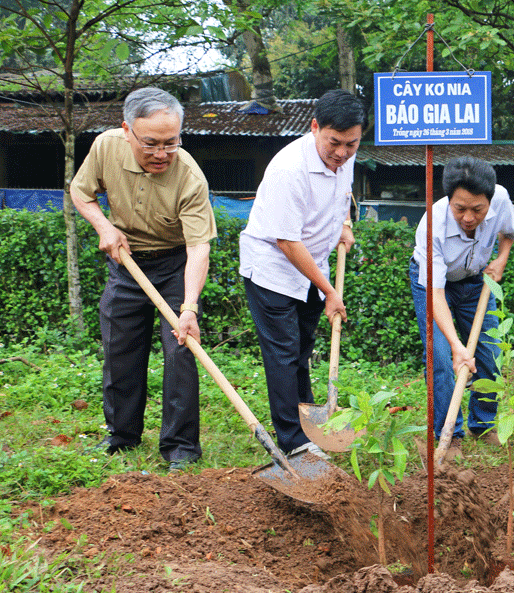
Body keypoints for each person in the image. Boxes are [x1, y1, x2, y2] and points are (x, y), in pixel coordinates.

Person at [71, 87, 217, 472]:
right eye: (150, 143)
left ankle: (181, 447)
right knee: (120, 348)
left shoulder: (189, 177)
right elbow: (80, 192)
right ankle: (121, 436)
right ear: (126, 131)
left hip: (174, 266)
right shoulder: (105, 147)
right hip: (127, 262)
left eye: (171, 143)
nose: (161, 153)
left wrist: (188, 308)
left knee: (182, 349)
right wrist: (104, 226)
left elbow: (198, 248)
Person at [239, 89, 365, 458]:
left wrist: (343, 222)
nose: (341, 153)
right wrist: (330, 291)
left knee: (301, 348)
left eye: (351, 144)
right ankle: (293, 441)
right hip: (274, 269)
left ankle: (308, 416)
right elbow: (286, 241)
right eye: (334, 143)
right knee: (283, 353)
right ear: (314, 128)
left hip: (312, 267)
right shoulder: (288, 168)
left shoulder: (346, 157)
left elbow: (343, 191)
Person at [410, 156, 514, 456]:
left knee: (491, 352)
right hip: (433, 286)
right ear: (449, 200)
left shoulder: (502, 199)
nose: (469, 217)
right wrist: (457, 345)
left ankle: (482, 425)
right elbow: (436, 295)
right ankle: (450, 434)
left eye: (477, 209)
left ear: (490, 200)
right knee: (441, 358)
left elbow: (509, 233)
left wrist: (501, 259)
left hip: (475, 282)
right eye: (460, 209)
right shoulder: (432, 225)